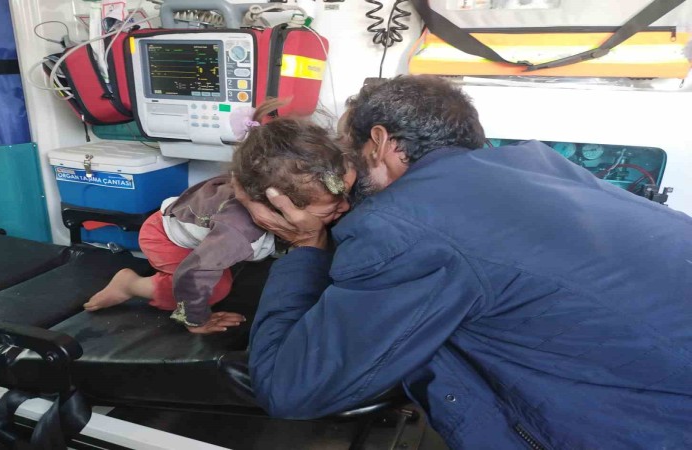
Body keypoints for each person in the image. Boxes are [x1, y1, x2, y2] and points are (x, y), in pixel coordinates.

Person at [236, 75, 692, 448]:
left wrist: (305, 244)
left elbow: (290, 389)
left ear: (379, 143)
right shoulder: (541, 165)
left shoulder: (401, 225)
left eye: (345, 146)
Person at [84, 100, 355, 334]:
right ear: (276, 206)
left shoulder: (268, 183)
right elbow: (193, 274)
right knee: (217, 288)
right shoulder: (237, 233)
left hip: (194, 216)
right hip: (164, 238)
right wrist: (196, 319)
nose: (344, 207)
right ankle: (130, 284)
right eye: (331, 210)